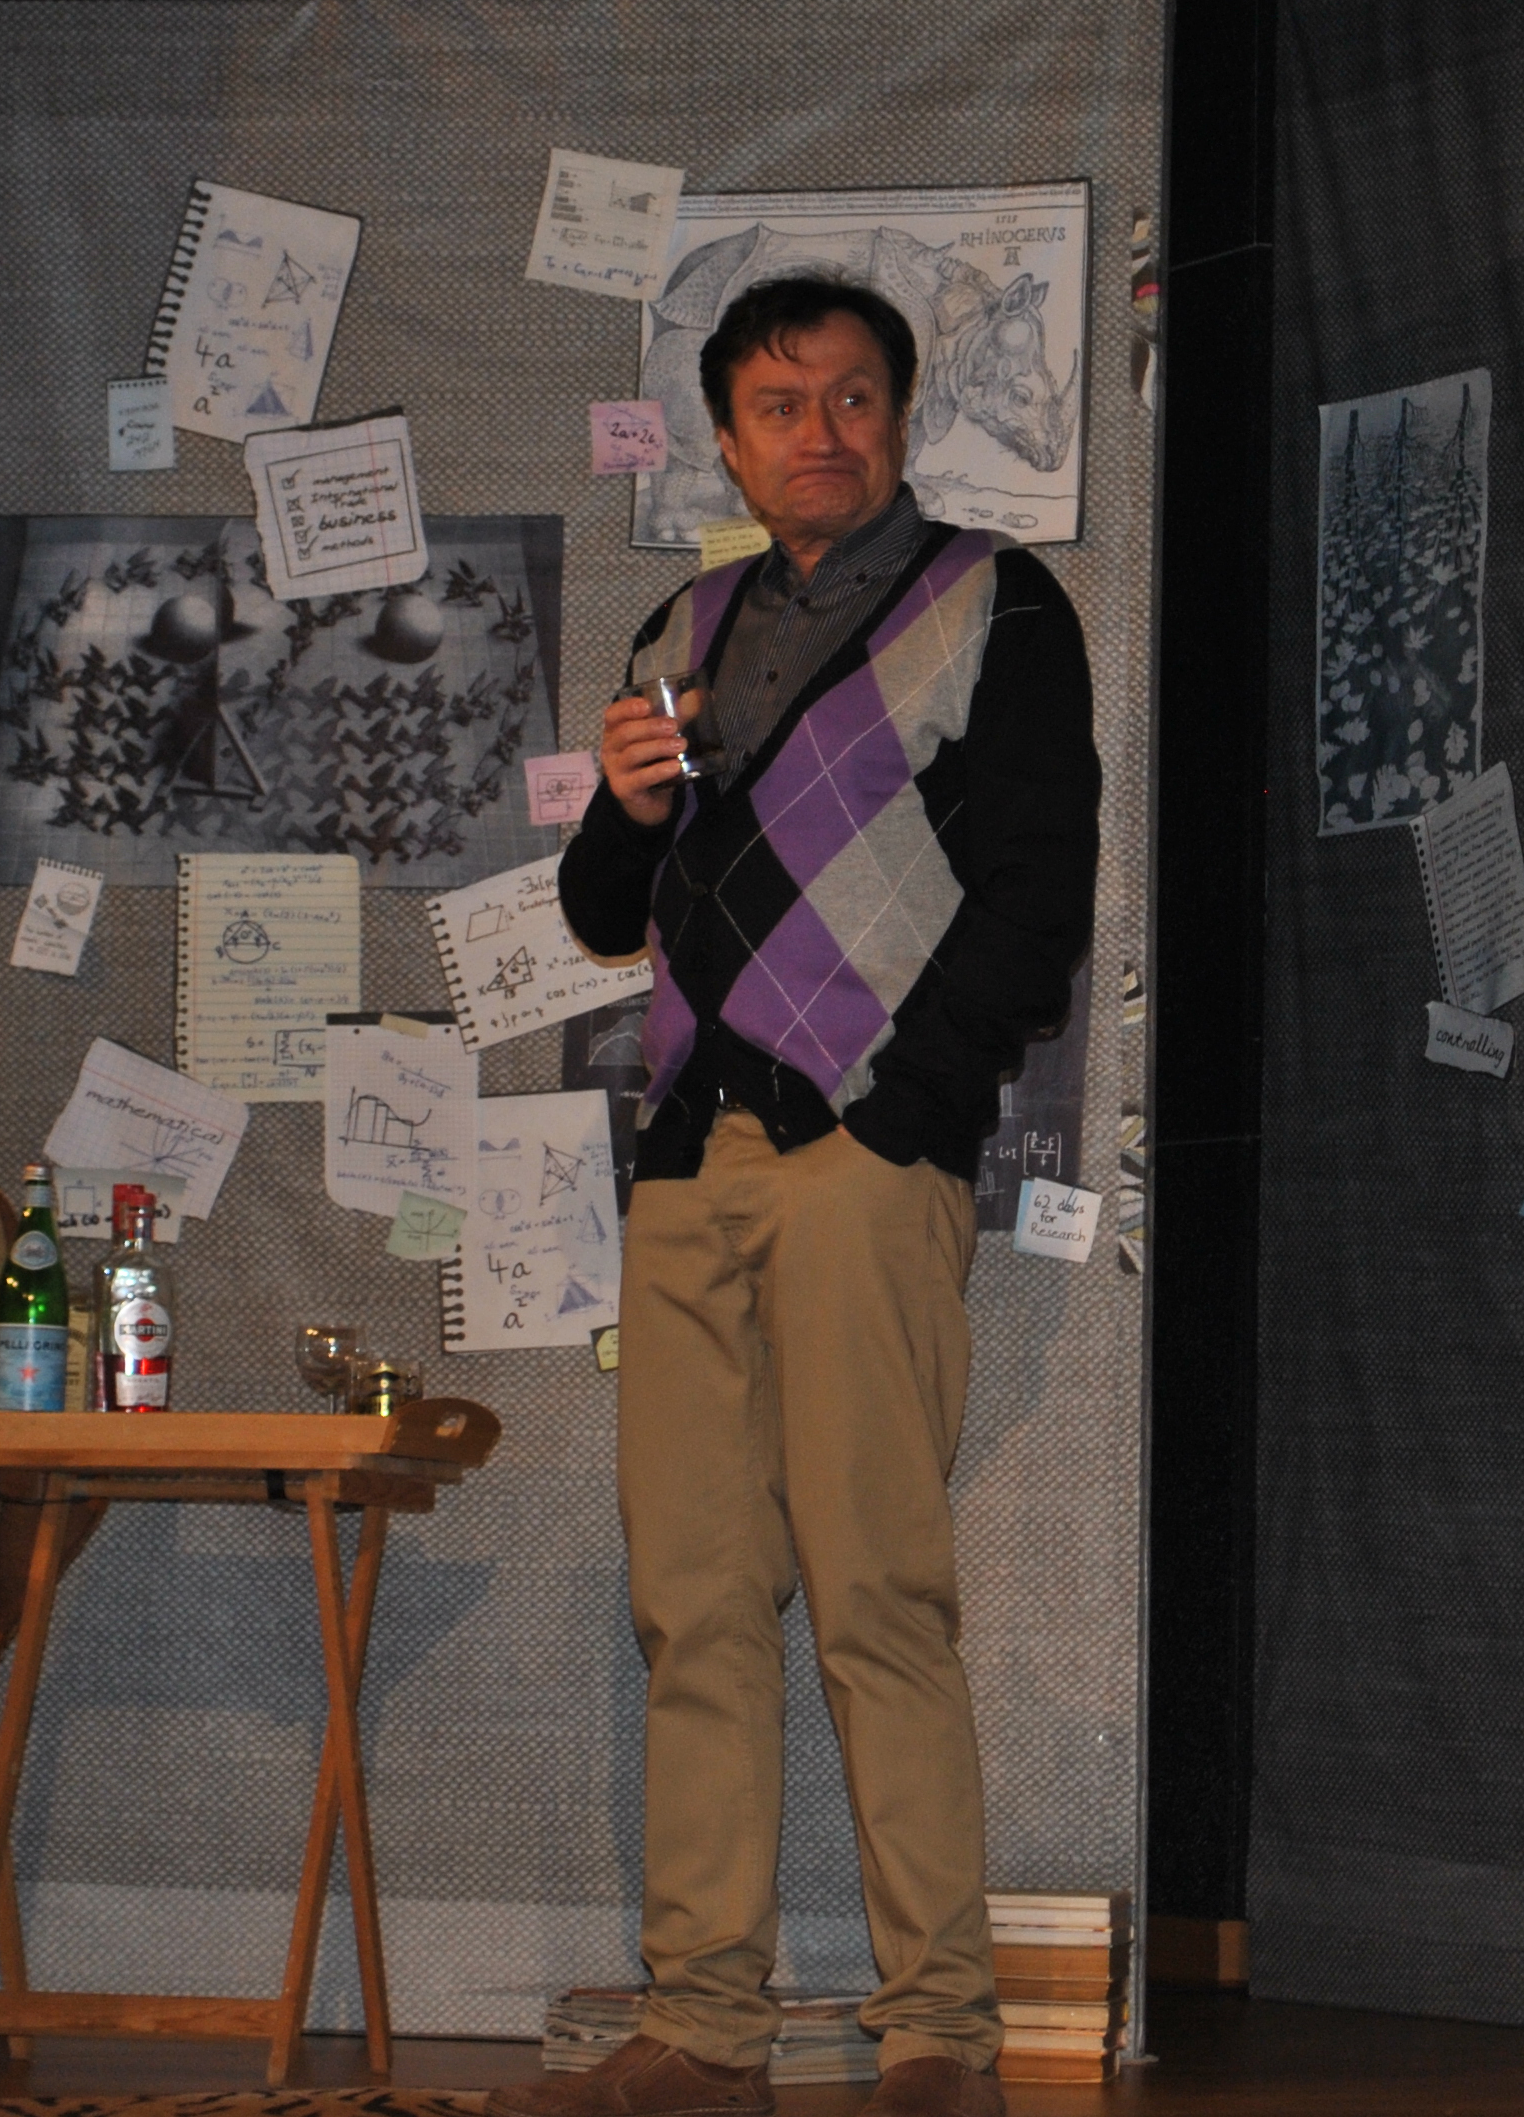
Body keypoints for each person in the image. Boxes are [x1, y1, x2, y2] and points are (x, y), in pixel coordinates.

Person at [497, 276, 1099, 2117]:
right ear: (729, 441)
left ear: (900, 419)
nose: (818, 432)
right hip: (689, 1163)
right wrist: (620, 807)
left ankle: (939, 2035)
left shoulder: (997, 603)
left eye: (851, 397)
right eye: (779, 404)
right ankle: (703, 2022)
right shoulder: (681, 627)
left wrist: (909, 1115)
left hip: (858, 1154)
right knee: (691, 1603)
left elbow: (1039, 901)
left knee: (876, 1597)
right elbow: (607, 912)